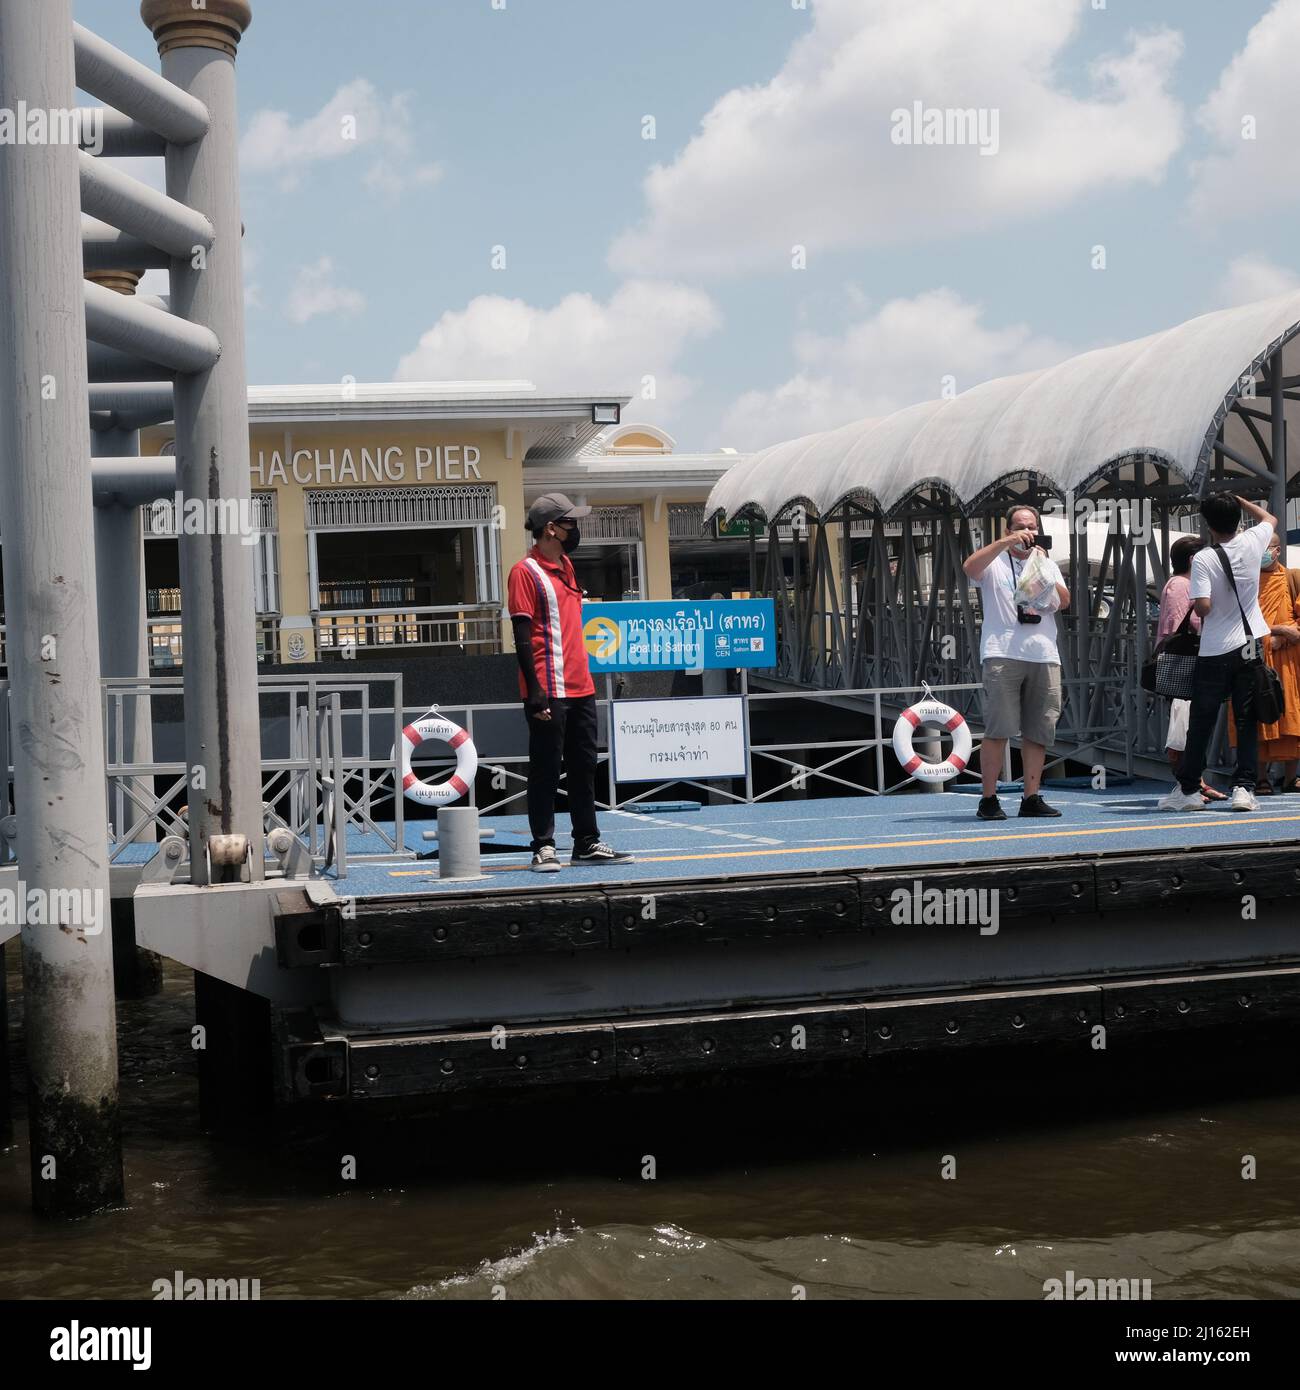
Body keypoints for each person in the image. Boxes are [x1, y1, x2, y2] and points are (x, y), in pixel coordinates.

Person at [507, 492, 633, 871]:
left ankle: (586, 841)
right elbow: (522, 637)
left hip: (582, 686)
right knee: (545, 768)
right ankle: (543, 846)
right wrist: (534, 692)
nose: (575, 528)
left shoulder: (567, 565)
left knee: (584, 767)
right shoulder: (524, 572)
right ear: (551, 528)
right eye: (570, 522)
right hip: (549, 688)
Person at [1159, 492, 1277, 813]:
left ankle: (1189, 790)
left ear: (1208, 524)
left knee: (1203, 719)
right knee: (1246, 717)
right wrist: (1242, 501)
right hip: (1251, 642)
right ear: (1238, 519)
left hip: (1215, 649)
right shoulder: (1254, 541)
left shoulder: (1204, 559)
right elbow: (1271, 519)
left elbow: (1205, 608)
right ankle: (1244, 787)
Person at [962, 503, 1071, 820]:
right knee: (999, 728)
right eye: (1021, 526)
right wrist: (1005, 544)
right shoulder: (995, 561)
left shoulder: (1044, 562)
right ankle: (989, 798)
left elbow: (1064, 601)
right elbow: (970, 568)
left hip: (1043, 653)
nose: (1028, 532)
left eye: (1033, 526)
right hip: (1002, 652)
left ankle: (1031, 797)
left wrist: (1044, 577)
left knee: (1039, 730)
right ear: (1009, 530)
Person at [1230, 530, 1300, 794]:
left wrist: (1289, 633)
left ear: (1277, 550)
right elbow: (1238, 620)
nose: (1261, 554)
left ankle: (1291, 777)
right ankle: (1260, 777)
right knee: (1255, 714)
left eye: (1267, 548)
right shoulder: (1244, 581)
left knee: (1291, 715)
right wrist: (1280, 630)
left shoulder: (1292, 578)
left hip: (1289, 661)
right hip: (1255, 656)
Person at [1155, 536, 1224, 802]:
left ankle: (1195, 781)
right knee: (1184, 721)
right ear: (1195, 560)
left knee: (1189, 721)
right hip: (1184, 662)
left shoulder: (1182, 584)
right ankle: (1190, 783)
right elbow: (1177, 626)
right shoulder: (1181, 585)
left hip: (1189, 660)